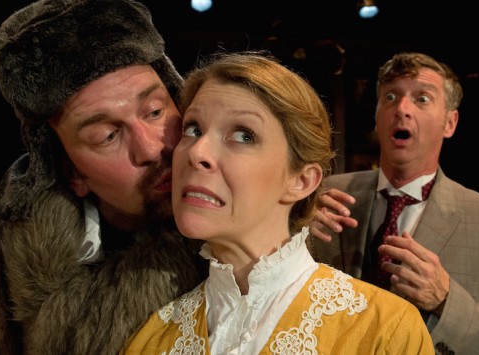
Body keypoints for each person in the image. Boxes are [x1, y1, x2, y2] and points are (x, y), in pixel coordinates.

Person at [0, 0, 203, 353]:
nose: (151, 148)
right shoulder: (2, 270)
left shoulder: (257, 239)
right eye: (108, 135)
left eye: (156, 111)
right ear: (72, 172)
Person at [121, 51, 435, 354]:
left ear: (301, 181)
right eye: (193, 129)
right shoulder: (150, 339)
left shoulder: (385, 331)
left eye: (243, 135)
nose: (197, 152)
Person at [307, 52, 479, 355]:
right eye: (390, 97)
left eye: (422, 99)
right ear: (376, 116)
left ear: (450, 122)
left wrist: (445, 301)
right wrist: (289, 232)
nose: (402, 109)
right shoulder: (319, 197)